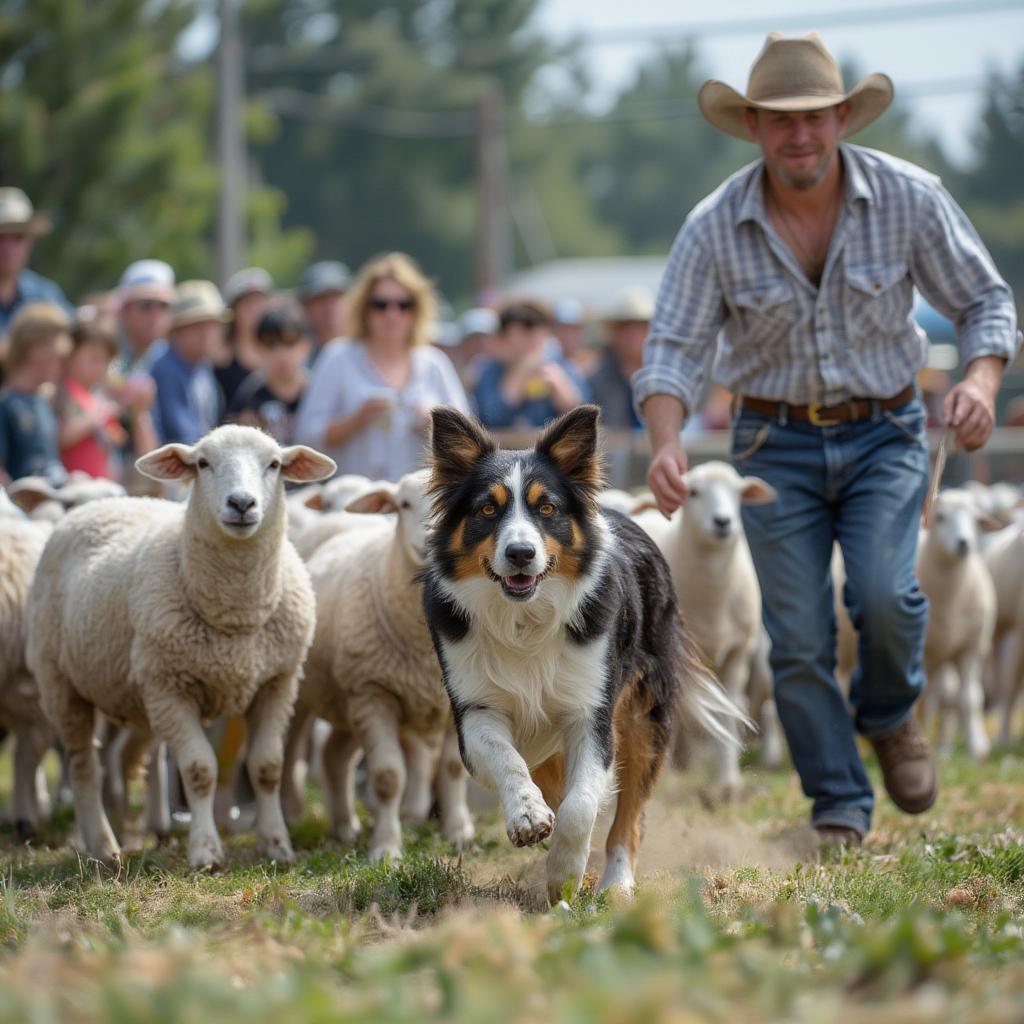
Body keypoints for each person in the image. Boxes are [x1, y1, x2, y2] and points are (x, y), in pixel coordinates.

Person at [633, 32, 1019, 849]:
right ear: (754, 128)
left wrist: (980, 384)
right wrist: (667, 440)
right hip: (773, 444)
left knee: (885, 594)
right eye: (778, 120)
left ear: (843, 116)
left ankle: (888, 713)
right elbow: (672, 346)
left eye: (813, 116)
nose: (798, 134)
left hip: (887, 429)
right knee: (799, 633)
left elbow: (985, 301)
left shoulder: (910, 196)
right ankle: (839, 801)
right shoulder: (714, 227)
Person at [295, 252, 469, 480]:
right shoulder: (338, 357)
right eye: (380, 304)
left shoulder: (434, 363)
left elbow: (466, 444)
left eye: (404, 305)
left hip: (420, 505)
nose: (392, 314)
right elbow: (306, 437)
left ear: (417, 310)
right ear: (363, 309)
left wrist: (431, 424)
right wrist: (355, 420)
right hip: (353, 504)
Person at [57, 312, 154, 479]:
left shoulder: (94, 396)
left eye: (105, 362)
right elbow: (61, 437)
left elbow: (116, 439)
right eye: (94, 359)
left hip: (100, 479)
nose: (100, 369)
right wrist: (99, 415)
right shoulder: (62, 390)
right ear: (70, 354)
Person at [473, 300, 589, 429]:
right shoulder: (489, 372)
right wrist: (516, 379)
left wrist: (560, 387)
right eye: (524, 333)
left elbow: (584, 420)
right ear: (503, 337)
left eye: (537, 332)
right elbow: (489, 420)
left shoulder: (563, 367)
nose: (532, 341)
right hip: (505, 448)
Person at [0, 302, 71, 485]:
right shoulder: (7, 405)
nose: (59, 367)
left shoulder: (42, 401)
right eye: (55, 358)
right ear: (35, 353)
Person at [149, 281, 227, 445]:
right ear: (176, 331)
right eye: (197, 326)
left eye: (212, 325)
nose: (207, 334)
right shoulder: (166, 370)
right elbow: (184, 438)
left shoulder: (202, 365)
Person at [228, 302, 309, 445]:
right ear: (257, 348)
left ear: (305, 346)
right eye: (271, 344)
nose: (281, 354)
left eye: (289, 343)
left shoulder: (318, 390)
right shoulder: (249, 396)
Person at [0, 188, 71, 334]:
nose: (8, 248)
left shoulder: (45, 295)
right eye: (0, 237)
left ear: (30, 242)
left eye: (18, 237)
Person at [588, 287, 654, 430]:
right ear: (613, 332)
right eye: (624, 327)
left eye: (641, 326)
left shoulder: (665, 376)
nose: (633, 334)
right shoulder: (597, 379)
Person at [216, 266, 274, 411]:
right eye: (248, 304)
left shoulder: (283, 351)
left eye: (260, 302)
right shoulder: (220, 360)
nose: (255, 309)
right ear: (233, 311)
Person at [112, 259, 175, 375]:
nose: (156, 315)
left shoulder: (177, 361)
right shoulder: (108, 358)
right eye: (146, 306)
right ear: (125, 311)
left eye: (164, 306)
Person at [296, 260, 351, 362]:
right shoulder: (297, 359)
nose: (330, 307)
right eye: (321, 299)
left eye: (336, 297)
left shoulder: (369, 350)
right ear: (305, 306)